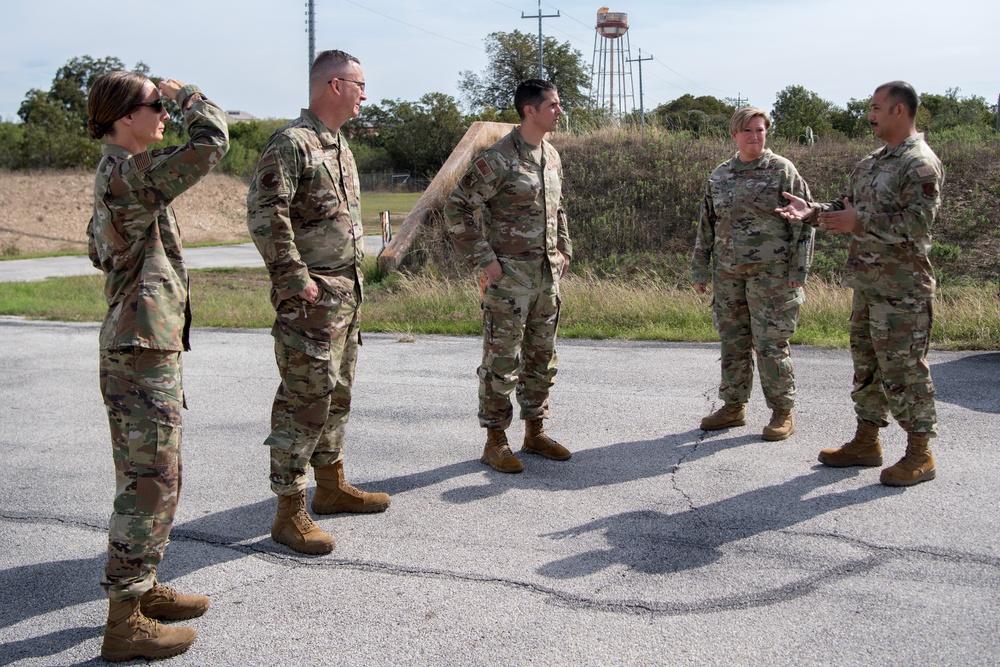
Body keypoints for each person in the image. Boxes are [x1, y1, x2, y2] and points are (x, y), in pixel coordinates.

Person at [86, 71, 228, 661]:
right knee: (151, 484)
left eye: (165, 104)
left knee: (150, 477)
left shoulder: (118, 175)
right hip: (139, 348)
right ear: (124, 115)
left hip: (141, 344)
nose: (164, 114)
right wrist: (187, 93)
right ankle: (124, 624)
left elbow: (97, 249)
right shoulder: (128, 173)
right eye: (154, 106)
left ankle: (140, 592)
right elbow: (212, 142)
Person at [247, 49, 389, 556]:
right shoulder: (291, 144)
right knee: (304, 402)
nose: (364, 95)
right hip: (311, 299)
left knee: (337, 394)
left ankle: (330, 487)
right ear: (334, 85)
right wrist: (293, 278)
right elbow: (267, 215)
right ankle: (289, 510)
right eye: (359, 84)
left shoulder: (339, 146)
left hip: (345, 295)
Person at [778, 81, 942, 486]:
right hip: (868, 284)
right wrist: (813, 211)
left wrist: (860, 223)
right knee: (867, 367)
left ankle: (920, 454)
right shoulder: (872, 161)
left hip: (902, 289)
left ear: (898, 111)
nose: (869, 115)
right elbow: (847, 207)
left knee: (904, 370)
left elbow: (918, 223)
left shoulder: (919, 162)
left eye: (875, 107)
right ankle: (866, 442)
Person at [444, 79, 573, 473]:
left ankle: (534, 431)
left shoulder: (551, 155)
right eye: (552, 105)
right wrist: (485, 259)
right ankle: (495, 440)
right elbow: (458, 207)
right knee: (502, 359)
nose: (559, 111)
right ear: (529, 110)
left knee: (542, 356)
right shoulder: (497, 158)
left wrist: (565, 247)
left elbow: (558, 207)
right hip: (510, 278)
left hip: (546, 276)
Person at [691, 107, 815, 441]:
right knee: (733, 343)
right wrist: (700, 269)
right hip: (728, 273)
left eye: (760, 130)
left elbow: (804, 223)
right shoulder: (719, 175)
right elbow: (707, 225)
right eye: (747, 130)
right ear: (734, 134)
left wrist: (798, 270)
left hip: (772, 276)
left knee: (771, 344)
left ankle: (782, 412)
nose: (754, 136)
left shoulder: (781, 170)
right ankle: (733, 407)